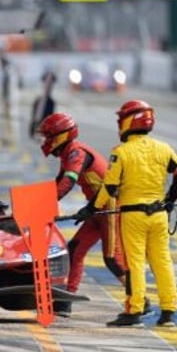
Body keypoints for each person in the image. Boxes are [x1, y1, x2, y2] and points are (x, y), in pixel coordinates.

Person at [84, 100, 177, 328]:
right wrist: (170, 200)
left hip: (133, 217)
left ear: (128, 122)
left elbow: (109, 187)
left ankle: (134, 311)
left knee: (135, 263)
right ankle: (168, 312)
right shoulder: (164, 148)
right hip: (159, 214)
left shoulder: (121, 153)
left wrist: (91, 209)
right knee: (162, 262)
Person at [37, 112, 132, 318]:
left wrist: (44, 206)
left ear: (60, 136)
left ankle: (139, 301)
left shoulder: (76, 153)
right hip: (96, 207)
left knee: (112, 259)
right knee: (74, 250)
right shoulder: (68, 154)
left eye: (48, 136)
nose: (46, 141)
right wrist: (37, 204)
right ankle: (65, 300)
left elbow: (67, 183)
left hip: (110, 205)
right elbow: (58, 183)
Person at [29, 69, 57, 138]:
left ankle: (43, 129)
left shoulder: (51, 102)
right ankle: (38, 128)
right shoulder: (38, 101)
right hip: (38, 125)